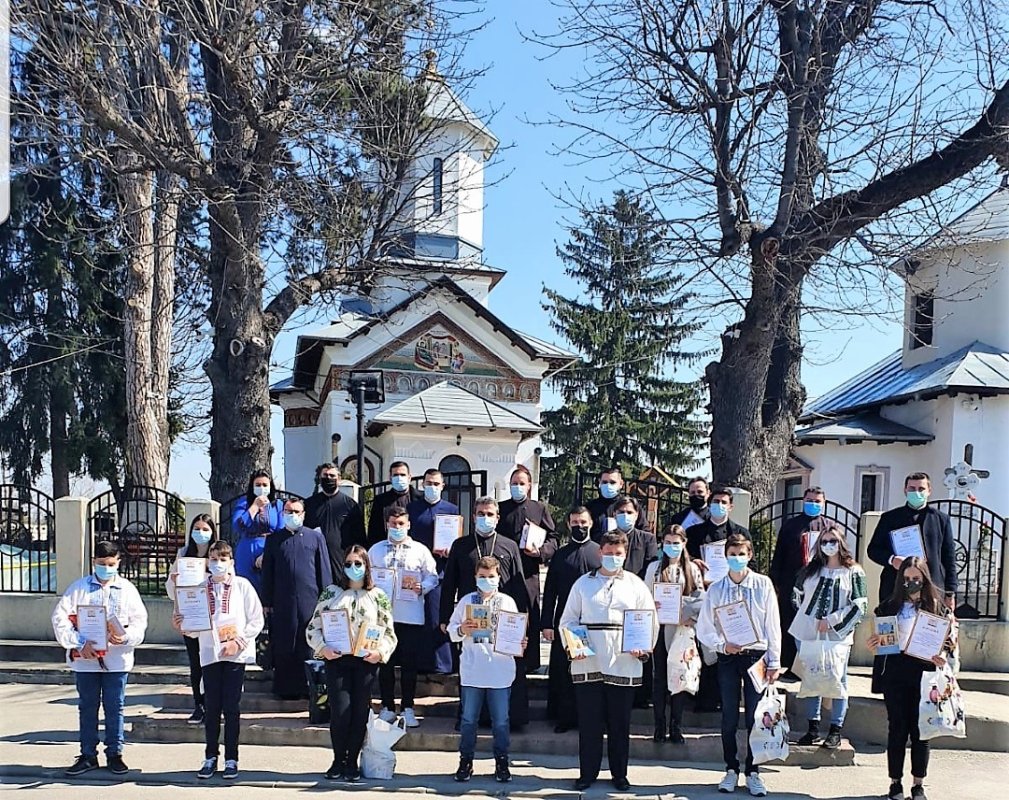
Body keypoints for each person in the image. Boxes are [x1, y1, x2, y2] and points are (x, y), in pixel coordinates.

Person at [560, 531, 658, 792]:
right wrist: (573, 645)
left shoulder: (635, 585)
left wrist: (644, 647)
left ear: (624, 555)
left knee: (619, 723)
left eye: (618, 554)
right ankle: (587, 773)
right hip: (588, 660)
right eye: (609, 552)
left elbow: (649, 620)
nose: (613, 557)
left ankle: (619, 774)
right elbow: (568, 620)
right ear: (600, 552)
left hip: (623, 660)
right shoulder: (583, 584)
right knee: (589, 722)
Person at [52, 540, 149, 777]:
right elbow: (60, 618)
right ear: (93, 562)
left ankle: (115, 753)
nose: (106, 568)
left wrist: (125, 638)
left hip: (117, 660)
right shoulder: (79, 588)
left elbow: (140, 622)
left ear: (119, 563)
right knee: (87, 707)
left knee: (115, 707)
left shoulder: (127, 589)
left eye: (111, 564)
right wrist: (78, 642)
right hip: (86, 660)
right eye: (101, 563)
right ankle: (87, 755)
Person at [697, 533, 781, 797]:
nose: (736, 559)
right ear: (726, 556)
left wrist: (774, 660)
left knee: (756, 717)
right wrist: (722, 645)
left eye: (741, 554)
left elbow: (773, 624)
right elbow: (704, 627)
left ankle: (753, 771)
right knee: (729, 716)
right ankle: (731, 768)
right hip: (729, 657)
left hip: (756, 656)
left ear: (750, 555)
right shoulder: (717, 588)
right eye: (732, 554)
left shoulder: (763, 584)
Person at [172, 541, 264, 781]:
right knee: (211, 707)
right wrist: (184, 626)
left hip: (235, 654)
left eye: (223, 559)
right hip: (210, 654)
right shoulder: (200, 588)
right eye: (213, 559)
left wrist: (239, 642)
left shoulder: (242, 586)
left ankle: (232, 758)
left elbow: (256, 620)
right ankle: (210, 755)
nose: (218, 563)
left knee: (231, 707)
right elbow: (194, 626)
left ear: (231, 562)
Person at [306, 544, 398, 783]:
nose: (353, 568)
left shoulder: (378, 596)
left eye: (358, 564)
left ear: (367, 566)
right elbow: (313, 628)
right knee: (341, 711)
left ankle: (351, 762)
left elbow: (389, 633)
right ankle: (338, 759)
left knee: (359, 712)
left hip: (366, 662)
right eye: (348, 564)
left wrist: (380, 653)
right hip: (337, 660)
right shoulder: (331, 593)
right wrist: (323, 648)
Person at [867, 558, 956, 800]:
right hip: (896, 672)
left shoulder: (937, 609)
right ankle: (895, 783)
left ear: (925, 579)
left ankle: (918, 784)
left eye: (916, 579)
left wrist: (943, 656)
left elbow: (949, 644)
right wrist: (874, 643)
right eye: (906, 579)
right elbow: (879, 639)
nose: (911, 583)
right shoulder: (889, 607)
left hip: (925, 673)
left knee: (921, 730)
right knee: (897, 728)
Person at [440, 496, 529, 728]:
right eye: (481, 514)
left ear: (497, 518)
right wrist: (444, 617)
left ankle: (510, 719)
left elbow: (519, 585)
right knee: (472, 667)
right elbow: (449, 583)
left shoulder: (509, 546)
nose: (485, 518)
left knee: (503, 668)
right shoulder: (461, 545)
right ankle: (469, 716)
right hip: (471, 619)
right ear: (474, 517)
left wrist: (523, 621)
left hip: (503, 618)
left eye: (490, 514)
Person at [448, 556, 526, 784]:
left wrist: (520, 643)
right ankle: (466, 761)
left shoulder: (507, 602)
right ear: (475, 577)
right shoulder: (465, 601)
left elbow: (516, 631)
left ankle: (502, 761)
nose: (486, 581)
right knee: (469, 719)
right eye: (482, 577)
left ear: (499, 578)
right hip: (473, 670)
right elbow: (452, 630)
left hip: (500, 670)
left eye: (491, 577)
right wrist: (462, 629)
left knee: (501, 720)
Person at [789, 525, 868, 749]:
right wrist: (809, 616)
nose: (829, 545)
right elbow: (796, 597)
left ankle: (835, 729)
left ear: (841, 542)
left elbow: (860, 606)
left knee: (837, 679)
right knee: (811, 677)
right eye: (824, 541)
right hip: (808, 632)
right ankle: (812, 727)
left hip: (837, 636)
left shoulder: (853, 571)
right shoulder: (810, 570)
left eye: (833, 540)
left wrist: (832, 620)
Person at [367, 506, 438, 728]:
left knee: (409, 665)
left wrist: (422, 586)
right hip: (382, 618)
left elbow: (433, 577)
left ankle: (408, 707)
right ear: (387, 524)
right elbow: (365, 576)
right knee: (385, 663)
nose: (397, 528)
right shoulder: (376, 550)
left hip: (411, 616)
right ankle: (387, 707)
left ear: (408, 525)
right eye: (393, 523)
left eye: (401, 524)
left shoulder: (420, 550)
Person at [686, 485, 751, 712]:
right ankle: (703, 698)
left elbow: (745, 564)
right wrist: (694, 562)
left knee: (729, 648)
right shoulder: (695, 533)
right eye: (716, 502)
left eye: (724, 502)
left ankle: (726, 699)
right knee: (706, 645)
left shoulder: (740, 533)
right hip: (703, 594)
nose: (719, 506)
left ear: (731, 506)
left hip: (731, 596)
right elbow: (685, 559)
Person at [261, 497, 333, 699]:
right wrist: (266, 601)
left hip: (311, 601)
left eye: (296, 512)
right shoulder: (274, 539)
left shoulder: (315, 538)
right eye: (288, 511)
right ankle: (285, 689)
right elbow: (268, 572)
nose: (292, 515)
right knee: (285, 644)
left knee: (308, 643)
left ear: (303, 514)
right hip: (282, 600)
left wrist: (327, 598)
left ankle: (309, 688)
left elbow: (324, 570)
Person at [541, 506, 602, 733]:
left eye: (583, 522)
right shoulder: (560, 555)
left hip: (594, 623)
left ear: (591, 523)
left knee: (592, 671)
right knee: (565, 672)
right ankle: (564, 717)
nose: (580, 527)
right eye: (575, 523)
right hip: (567, 623)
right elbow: (550, 593)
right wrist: (546, 623)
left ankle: (590, 718)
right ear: (568, 525)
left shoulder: (599, 553)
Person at [643, 524, 705, 743]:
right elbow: (645, 597)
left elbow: (700, 599)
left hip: (682, 630)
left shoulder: (692, 570)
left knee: (680, 676)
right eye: (668, 543)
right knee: (659, 678)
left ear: (684, 543)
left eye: (676, 543)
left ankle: (676, 726)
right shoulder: (654, 569)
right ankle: (659, 726)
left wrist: (689, 616)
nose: (672, 547)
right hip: (659, 629)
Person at [497, 464, 559, 672]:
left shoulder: (539, 509)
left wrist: (540, 552)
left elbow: (553, 539)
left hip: (529, 571)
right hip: (504, 573)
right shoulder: (500, 508)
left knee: (529, 613)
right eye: (514, 483)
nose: (517, 487)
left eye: (521, 483)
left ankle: (529, 661)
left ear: (529, 486)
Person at [868, 472, 957, 608]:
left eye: (921, 489)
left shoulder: (941, 519)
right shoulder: (889, 518)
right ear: (905, 490)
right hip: (895, 586)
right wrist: (892, 559)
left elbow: (949, 557)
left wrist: (950, 593)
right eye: (912, 489)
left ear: (929, 491)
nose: (916, 493)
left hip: (932, 587)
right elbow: (873, 550)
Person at [768, 486, 830, 674]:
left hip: (819, 582)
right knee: (790, 622)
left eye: (817, 501)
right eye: (810, 500)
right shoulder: (790, 525)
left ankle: (809, 666)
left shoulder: (829, 527)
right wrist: (775, 581)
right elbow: (779, 554)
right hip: (791, 581)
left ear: (824, 503)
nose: (813, 504)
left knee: (812, 622)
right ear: (803, 501)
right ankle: (788, 665)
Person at [165, 514, 219, 725]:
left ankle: (214, 705)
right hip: (190, 617)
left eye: (205, 529)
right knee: (196, 664)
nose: (200, 533)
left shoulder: (218, 554)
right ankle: (199, 705)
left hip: (213, 616)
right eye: (196, 528)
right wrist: (174, 579)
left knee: (212, 662)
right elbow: (171, 591)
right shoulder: (183, 554)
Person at [407, 468, 460, 674]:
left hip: (441, 569)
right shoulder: (412, 508)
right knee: (418, 618)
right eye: (428, 483)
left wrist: (450, 550)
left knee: (437, 617)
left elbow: (456, 538)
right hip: (415, 570)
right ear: (423, 485)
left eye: (436, 484)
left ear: (443, 486)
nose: (432, 487)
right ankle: (419, 663)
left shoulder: (451, 509)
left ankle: (442, 664)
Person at [304, 463, 366, 581]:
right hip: (315, 561)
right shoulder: (309, 505)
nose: (328, 479)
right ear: (319, 478)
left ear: (339, 479)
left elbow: (360, 537)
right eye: (325, 475)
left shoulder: (350, 505)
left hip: (342, 561)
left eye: (332, 476)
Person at [232, 470, 287, 598]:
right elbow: (238, 526)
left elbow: (280, 530)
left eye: (264, 485)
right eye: (258, 485)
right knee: (246, 590)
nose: (261, 488)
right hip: (247, 549)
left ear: (270, 486)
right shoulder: (243, 503)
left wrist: (266, 553)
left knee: (270, 588)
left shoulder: (277, 505)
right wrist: (255, 506)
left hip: (269, 548)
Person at [366, 461, 422, 547]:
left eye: (403, 475)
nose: (399, 478)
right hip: (387, 548)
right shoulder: (380, 500)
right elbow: (374, 529)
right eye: (395, 475)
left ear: (409, 477)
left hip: (414, 549)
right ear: (390, 478)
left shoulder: (421, 498)